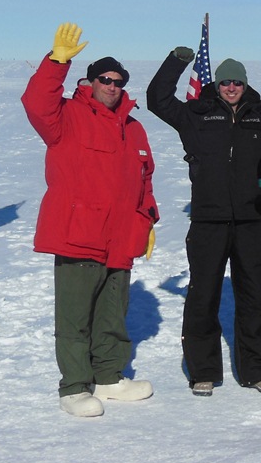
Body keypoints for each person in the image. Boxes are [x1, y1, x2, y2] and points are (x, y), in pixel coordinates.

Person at [146, 43, 261, 397]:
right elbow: (157, 99)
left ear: (245, 83)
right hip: (207, 219)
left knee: (256, 296)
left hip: (250, 218)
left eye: (236, 82)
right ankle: (203, 371)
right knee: (203, 295)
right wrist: (177, 61)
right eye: (225, 83)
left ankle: (258, 370)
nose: (231, 88)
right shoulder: (196, 114)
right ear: (216, 85)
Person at [21, 23, 159, 418]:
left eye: (119, 81)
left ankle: (109, 377)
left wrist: (146, 219)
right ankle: (75, 386)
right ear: (91, 81)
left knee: (112, 313)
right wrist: (57, 61)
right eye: (105, 79)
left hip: (120, 236)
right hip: (78, 233)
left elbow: (144, 177)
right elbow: (36, 102)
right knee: (75, 316)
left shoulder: (133, 128)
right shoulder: (65, 116)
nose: (112, 86)